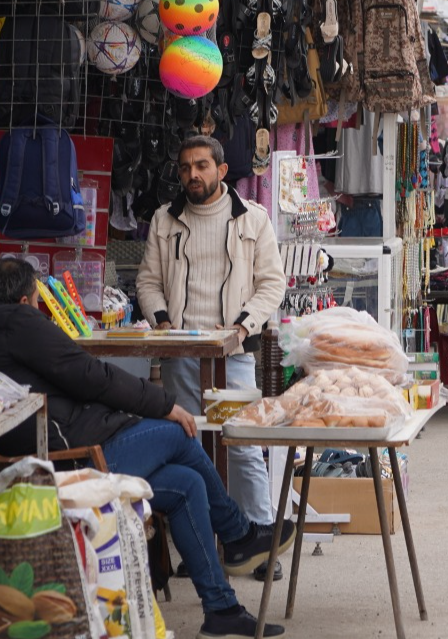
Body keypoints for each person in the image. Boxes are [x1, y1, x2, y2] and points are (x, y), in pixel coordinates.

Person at [0, 258, 290, 638]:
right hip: (72, 460)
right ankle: (238, 535)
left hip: (50, 453)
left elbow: (72, 377)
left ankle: (221, 608)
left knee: (187, 485)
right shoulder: (19, 323)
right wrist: (163, 404)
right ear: (27, 300)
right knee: (180, 432)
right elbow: (91, 376)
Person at [137, 136, 287, 575]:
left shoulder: (253, 220)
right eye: (185, 168)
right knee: (192, 448)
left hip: (233, 352)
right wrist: (162, 323)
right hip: (179, 353)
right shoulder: (163, 220)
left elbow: (271, 284)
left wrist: (242, 326)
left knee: (240, 444)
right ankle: (203, 548)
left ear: (222, 171)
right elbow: (148, 281)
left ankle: (261, 544)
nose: (192, 175)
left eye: (201, 166)